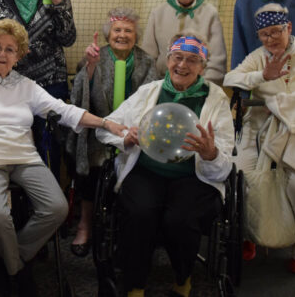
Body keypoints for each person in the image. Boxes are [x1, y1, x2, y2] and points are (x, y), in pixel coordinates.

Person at [0, 19, 125, 297]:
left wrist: (105, 123)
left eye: (10, 49)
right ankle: (17, 273)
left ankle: (8, 255)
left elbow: (64, 111)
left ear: (19, 55)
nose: (2, 54)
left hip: (24, 158)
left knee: (57, 208)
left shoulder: (27, 86)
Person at [96, 32, 234, 297]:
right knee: (139, 213)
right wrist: (125, 136)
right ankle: (135, 284)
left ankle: (183, 278)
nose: (182, 65)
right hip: (146, 170)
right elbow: (105, 128)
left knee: (181, 218)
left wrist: (211, 153)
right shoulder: (149, 92)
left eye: (192, 60)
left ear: (202, 67)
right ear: (168, 60)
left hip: (194, 176)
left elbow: (225, 164)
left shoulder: (216, 99)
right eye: (177, 57)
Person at [223, 3, 295, 275]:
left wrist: (283, 104)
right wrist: (262, 75)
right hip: (259, 130)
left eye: (276, 31)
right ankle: (249, 234)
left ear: (289, 28)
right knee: (244, 177)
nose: (270, 38)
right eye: (264, 34)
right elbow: (230, 78)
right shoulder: (258, 57)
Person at [66, 7, 157, 257]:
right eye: (117, 30)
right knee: (92, 163)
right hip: (99, 127)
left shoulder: (147, 62)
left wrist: (131, 128)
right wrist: (91, 67)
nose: (122, 35)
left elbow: (151, 100)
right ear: (108, 34)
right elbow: (79, 98)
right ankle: (85, 224)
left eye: (128, 31)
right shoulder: (95, 56)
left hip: (133, 128)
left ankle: (127, 227)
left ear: (136, 36)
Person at [0, 0, 77, 177]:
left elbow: (68, 39)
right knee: (18, 147)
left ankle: (50, 196)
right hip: (14, 86)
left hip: (52, 83)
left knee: (50, 147)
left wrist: (59, 4)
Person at [141, 0, 227, 85]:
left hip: (198, 84)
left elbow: (217, 60)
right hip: (162, 82)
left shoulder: (210, 14)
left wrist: (204, 85)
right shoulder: (158, 13)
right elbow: (148, 56)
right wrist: (156, 85)